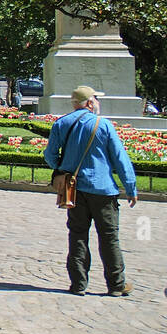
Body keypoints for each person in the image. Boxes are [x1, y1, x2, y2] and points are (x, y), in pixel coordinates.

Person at [43, 85, 138, 296]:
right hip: (103, 190)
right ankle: (116, 285)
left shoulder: (61, 123)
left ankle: (78, 284)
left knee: (77, 235)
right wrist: (130, 187)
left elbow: (49, 155)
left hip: (73, 188)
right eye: (96, 98)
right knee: (109, 237)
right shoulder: (103, 125)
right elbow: (119, 158)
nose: (98, 102)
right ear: (90, 103)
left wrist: (63, 167)